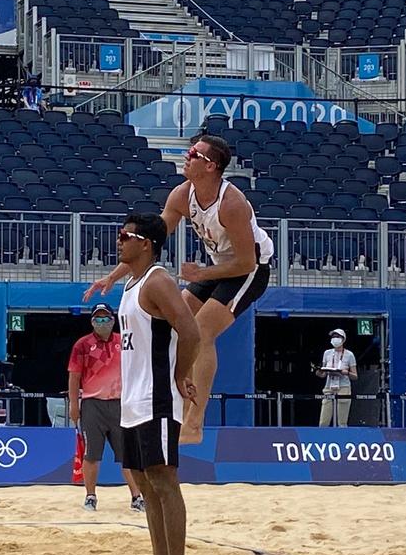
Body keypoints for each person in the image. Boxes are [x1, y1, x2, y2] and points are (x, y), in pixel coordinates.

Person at [85, 135, 273, 444]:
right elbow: (148, 241)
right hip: (217, 266)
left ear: (211, 166)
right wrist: (113, 276)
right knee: (174, 325)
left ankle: (194, 423)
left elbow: (244, 262)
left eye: (193, 154)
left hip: (251, 269)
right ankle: (170, 400)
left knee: (201, 330)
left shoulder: (231, 203)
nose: (186, 156)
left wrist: (202, 272)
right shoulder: (182, 195)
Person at [116, 213, 200, 555]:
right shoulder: (132, 283)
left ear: (145, 242)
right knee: (148, 486)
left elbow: (190, 329)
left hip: (157, 398)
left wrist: (181, 374)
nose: (119, 241)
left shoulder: (158, 280)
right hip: (133, 399)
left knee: (164, 481)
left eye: (125, 236)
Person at [67, 303, 144, 512]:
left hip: (121, 404)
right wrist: (74, 405)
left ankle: (137, 497)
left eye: (106, 318)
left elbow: (137, 369)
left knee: (128, 455)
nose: (102, 322)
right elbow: (74, 377)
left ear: (113, 319)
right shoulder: (83, 345)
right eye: (98, 319)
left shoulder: (124, 341)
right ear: (92, 321)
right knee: (92, 455)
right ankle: (90, 496)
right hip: (93, 405)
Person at [315, 328, 357, 427]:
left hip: (344, 387)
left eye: (337, 337)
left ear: (343, 339)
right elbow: (323, 374)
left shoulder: (349, 355)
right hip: (329, 387)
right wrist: (319, 371)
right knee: (323, 422)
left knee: (342, 422)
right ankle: (323, 439)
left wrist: (345, 372)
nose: (335, 339)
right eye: (333, 337)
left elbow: (355, 376)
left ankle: (343, 440)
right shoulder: (327, 353)